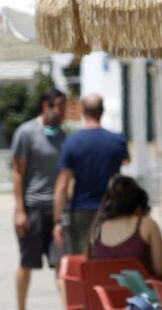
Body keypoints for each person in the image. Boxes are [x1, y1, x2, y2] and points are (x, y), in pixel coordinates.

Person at [10, 88, 67, 310]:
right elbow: (17, 173)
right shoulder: (26, 133)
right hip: (32, 206)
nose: (63, 112)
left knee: (61, 264)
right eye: (59, 107)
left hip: (57, 211)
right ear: (46, 106)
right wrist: (20, 210)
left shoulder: (64, 136)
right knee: (27, 262)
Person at [52, 93, 129, 254]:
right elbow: (126, 161)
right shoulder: (117, 140)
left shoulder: (72, 142)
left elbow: (62, 186)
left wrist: (58, 221)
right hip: (112, 209)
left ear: (82, 111)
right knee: (110, 259)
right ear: (103, 112)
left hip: (81, 210)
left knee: (83, 262)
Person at [89, 175, 162, 279]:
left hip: (105, 294)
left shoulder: (97, 229)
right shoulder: (147, 224)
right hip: (141, 293)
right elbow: (161, 269)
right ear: (139, 208)